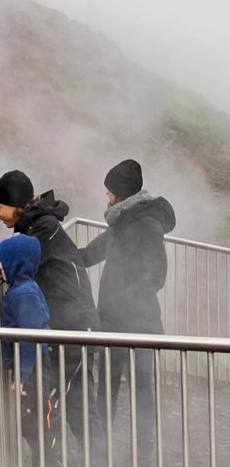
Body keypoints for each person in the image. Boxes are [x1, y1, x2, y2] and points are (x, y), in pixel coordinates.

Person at [0, 170, 106, 467]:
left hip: (74, 327)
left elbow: (18, 256)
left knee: (71, 404)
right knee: (75, 403)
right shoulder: (37, 226)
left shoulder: (44, 228)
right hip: (70, 326)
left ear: (16, 205)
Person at [80, 159, 176, 449]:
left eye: (109, 192)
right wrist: (55, 256)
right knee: (107, 387)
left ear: (121, 194)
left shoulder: (146, 224)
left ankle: (142, 456)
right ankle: (102, 451)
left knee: (141, 388)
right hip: (113, 321)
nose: (106, 197)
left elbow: (156, 274)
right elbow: (90, 254)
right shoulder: (122, 221)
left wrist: (124, 301)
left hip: (139, 323)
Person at [0, 234, 60, 467]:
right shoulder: (23, 288)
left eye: (3, 261)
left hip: (33, 369)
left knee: (36, 424)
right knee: (32, 422)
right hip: (33, 367)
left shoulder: (24, 295)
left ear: (16, 262)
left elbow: (29, 338)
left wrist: (21, 376)